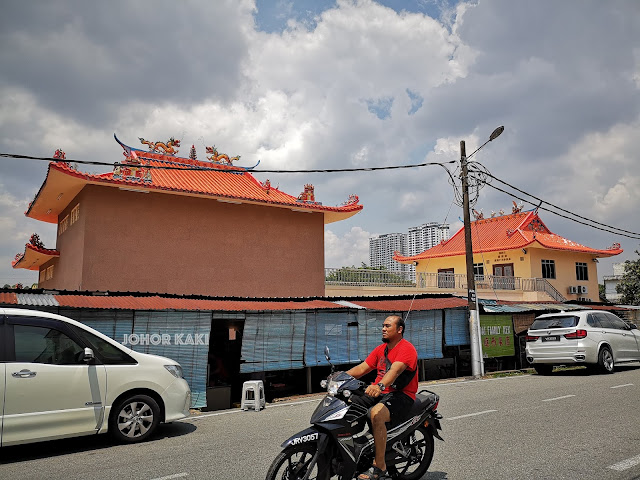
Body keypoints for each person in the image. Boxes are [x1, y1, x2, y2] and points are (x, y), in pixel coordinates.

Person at [346, 314, 418, 480]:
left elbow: (394, 371)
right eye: (383, 326)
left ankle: (380, 466)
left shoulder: (406, 349)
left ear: (399, 330)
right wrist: (340, 377)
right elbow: (363, 368)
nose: (383, 329)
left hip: (401, 395)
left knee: (376, 414)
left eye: (388, 326)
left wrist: (380, 385)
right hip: (380, 392)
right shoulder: (381, 349)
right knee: (347, 402)